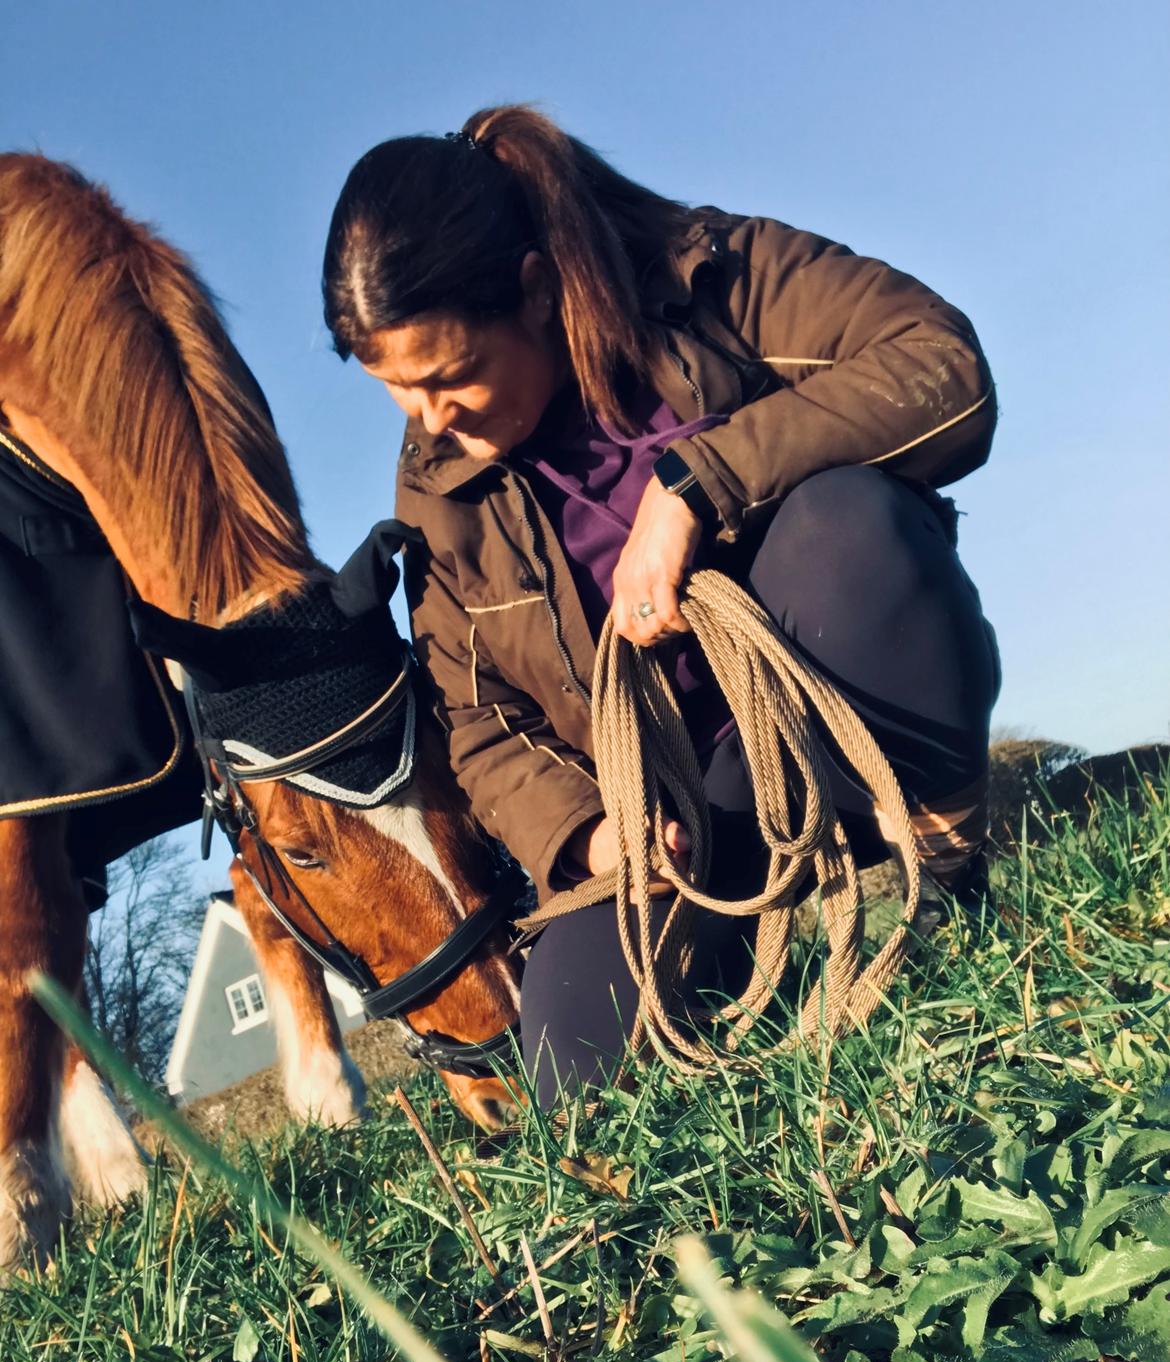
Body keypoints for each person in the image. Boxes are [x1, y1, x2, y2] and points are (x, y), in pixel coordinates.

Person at [321, 105, 1001, 1101]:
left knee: (849, 525)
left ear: (537, 291)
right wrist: (589, 831)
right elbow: (477, 720)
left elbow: (941, 367)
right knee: (572, 1071)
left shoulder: (710, 275)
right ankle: (720, 946)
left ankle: (942, 879)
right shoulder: (433, 485)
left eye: (452, 377)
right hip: (672, 811)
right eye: (398, 390)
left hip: (827, 699)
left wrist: (700, 485)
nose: (430, 423)